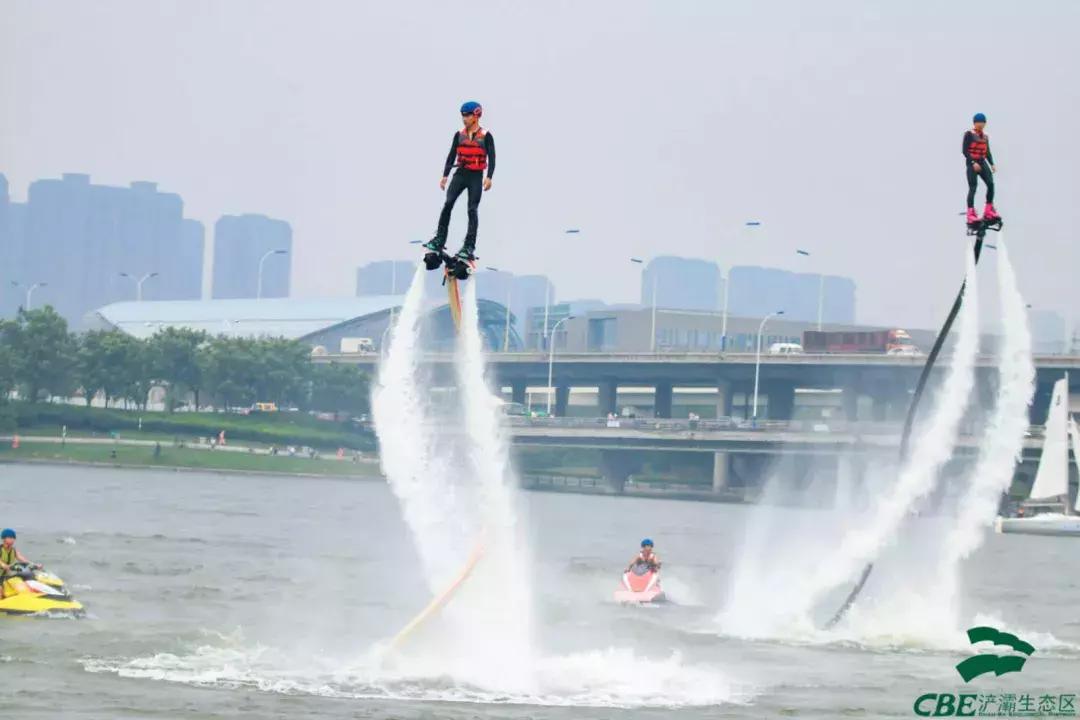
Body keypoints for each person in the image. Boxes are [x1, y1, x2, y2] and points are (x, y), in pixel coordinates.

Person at [423, 101, 496, 262]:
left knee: (472, 209)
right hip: (460, 174)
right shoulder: (459, 134)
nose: (464, 119)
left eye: (468, 115)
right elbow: (451, 155)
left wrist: (489, 177)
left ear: (476, 116)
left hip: (476, 176)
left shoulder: (486, 135)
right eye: (463, 115)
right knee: (448, 203)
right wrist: (445, 175)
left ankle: (469, 246)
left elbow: (492, 157)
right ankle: (439, 239)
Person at [963, 113, 999, 225]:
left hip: (982, 163)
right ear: (974, 123)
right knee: (973, 187)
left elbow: (987, 151)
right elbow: (965, 151)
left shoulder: (985, 136)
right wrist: (973, 162)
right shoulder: (969, 134)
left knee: (991, 184)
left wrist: (992, 164)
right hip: (972, 163)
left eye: (983, 122)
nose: (981, 124)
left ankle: (988, 210)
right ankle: (970, 214)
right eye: (979, 122)